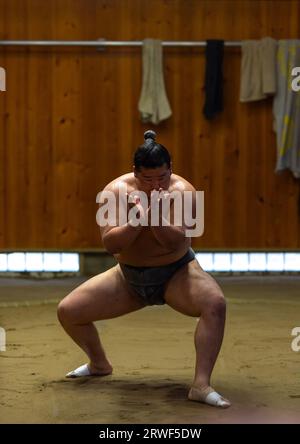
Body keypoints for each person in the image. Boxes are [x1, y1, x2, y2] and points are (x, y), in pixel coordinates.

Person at [57, 130, 231, 408]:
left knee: (215, 303)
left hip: (176, 273)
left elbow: (178, 241)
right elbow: (110, 244)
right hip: (127, 277)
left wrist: (155, 217)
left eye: (161, 177)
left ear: (170, 170)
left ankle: (200, 384)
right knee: (68, 311)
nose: (154, 185)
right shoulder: (115, 191)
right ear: (134, 172)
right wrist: (136, 221)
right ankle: (99, 364)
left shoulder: (183, 192)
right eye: (147, 179)